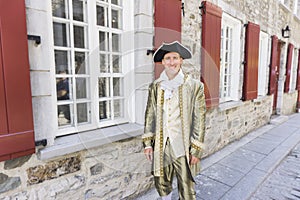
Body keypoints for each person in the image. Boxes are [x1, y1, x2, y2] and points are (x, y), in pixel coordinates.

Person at [142, 41, 206, 200]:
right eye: (168, 58)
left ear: (181, 60)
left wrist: (196, 149)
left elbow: (200, 119)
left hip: (183, 145)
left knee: (186, 186)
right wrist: (148, 144)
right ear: (163, 62)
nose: (172, 62)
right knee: (162, 182)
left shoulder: (195, 86)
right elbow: (150, 114)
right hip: (162, 143)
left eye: (175, 58)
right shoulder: (156, 86)